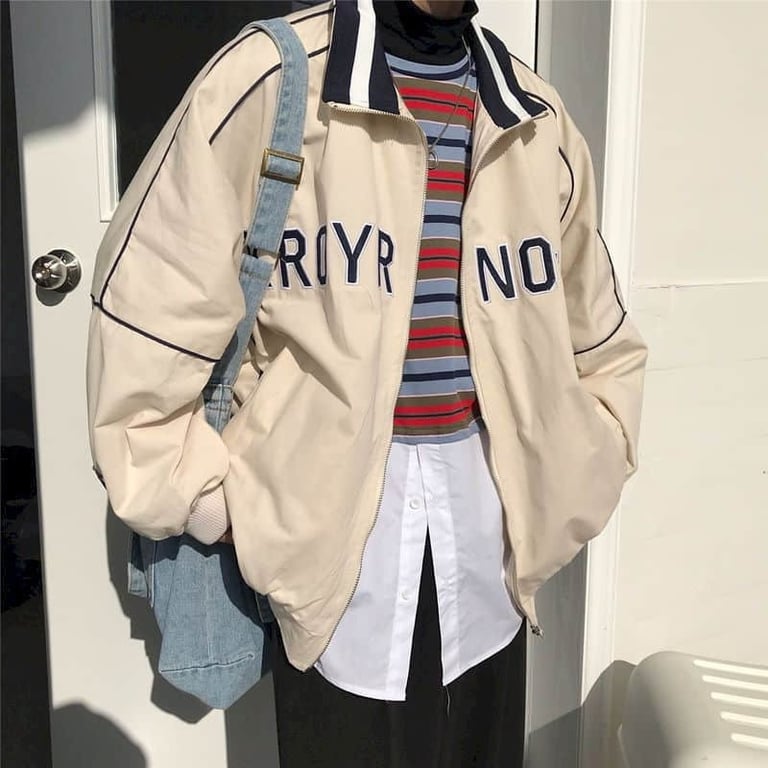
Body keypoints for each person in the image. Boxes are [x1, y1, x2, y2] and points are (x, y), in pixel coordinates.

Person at [86, 0, 648, 765]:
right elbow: (143, 318)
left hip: (491, 553)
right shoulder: (271, 78)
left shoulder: (532, 115)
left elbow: (599, 338)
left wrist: (583, 468)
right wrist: (225, 504)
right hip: (330, 566)